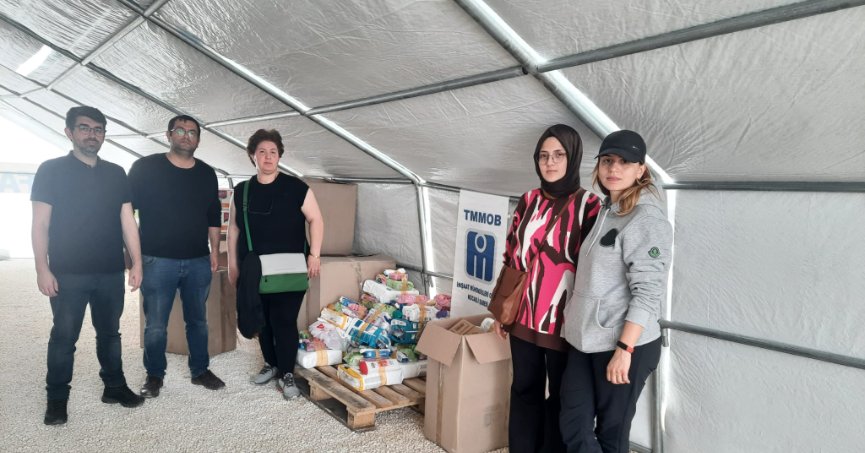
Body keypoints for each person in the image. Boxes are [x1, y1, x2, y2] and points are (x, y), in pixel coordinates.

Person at [559, 130, 673, 453]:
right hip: (586, 339)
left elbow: (649, 291)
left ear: (641, 170)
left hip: (625, 344)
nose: (614, 168)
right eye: (608, 160)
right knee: (573, 423)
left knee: (611, 435)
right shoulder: (607, 209)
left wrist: (625, 349)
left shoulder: (646, 218)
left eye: (625, 162)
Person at [31, 106, 145, 425]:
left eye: (98, 129)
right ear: (69, 132)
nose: (91, 134)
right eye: (84, 128)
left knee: (110, 334)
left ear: (104, 135)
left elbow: (127, 220)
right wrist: (42, 268)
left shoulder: (116, 172)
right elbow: (40, 223)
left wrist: (136, 263)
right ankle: (56, 399)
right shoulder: (50, 170)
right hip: (67, 272)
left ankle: (115, 387)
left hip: (110, 271)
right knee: (64, 337)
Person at [492, 124, 601, 452]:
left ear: (573, 157)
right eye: (543, 156)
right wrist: (501, 311)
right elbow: (512, 254)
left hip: (564, 322)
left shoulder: (590, 206)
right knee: (524, 388)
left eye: (558, 155)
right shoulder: (528, 200)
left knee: (560, 398)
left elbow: (596, 267)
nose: (550, 163)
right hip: (523, 317)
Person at [128, 115, 225, 397]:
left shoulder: (207, 173)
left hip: (197, 260)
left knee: (198, 321)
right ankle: (155, 375)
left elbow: (213, 216)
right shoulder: (145, 168)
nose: (186, 136)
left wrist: (214, 253)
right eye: (180, 131)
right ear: (169, 135)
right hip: (157, 261)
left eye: (192, 132)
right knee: (156, 324)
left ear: (198, 139)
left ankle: (200, 370)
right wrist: (134, 257)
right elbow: (125, 213)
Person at [227, 129, 323, 400]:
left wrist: (314, 255)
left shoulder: (296, 188)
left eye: (273, 152)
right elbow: (233, 230)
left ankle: (287, 372)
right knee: (263, 320)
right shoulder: (242, 190)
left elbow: (316, 220)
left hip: (290, 268)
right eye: (262, 152)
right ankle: (270, 364)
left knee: (284, 320)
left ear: (280, 155)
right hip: (254, 268)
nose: (268, 157)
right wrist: (233, 264)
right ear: (252, 156)